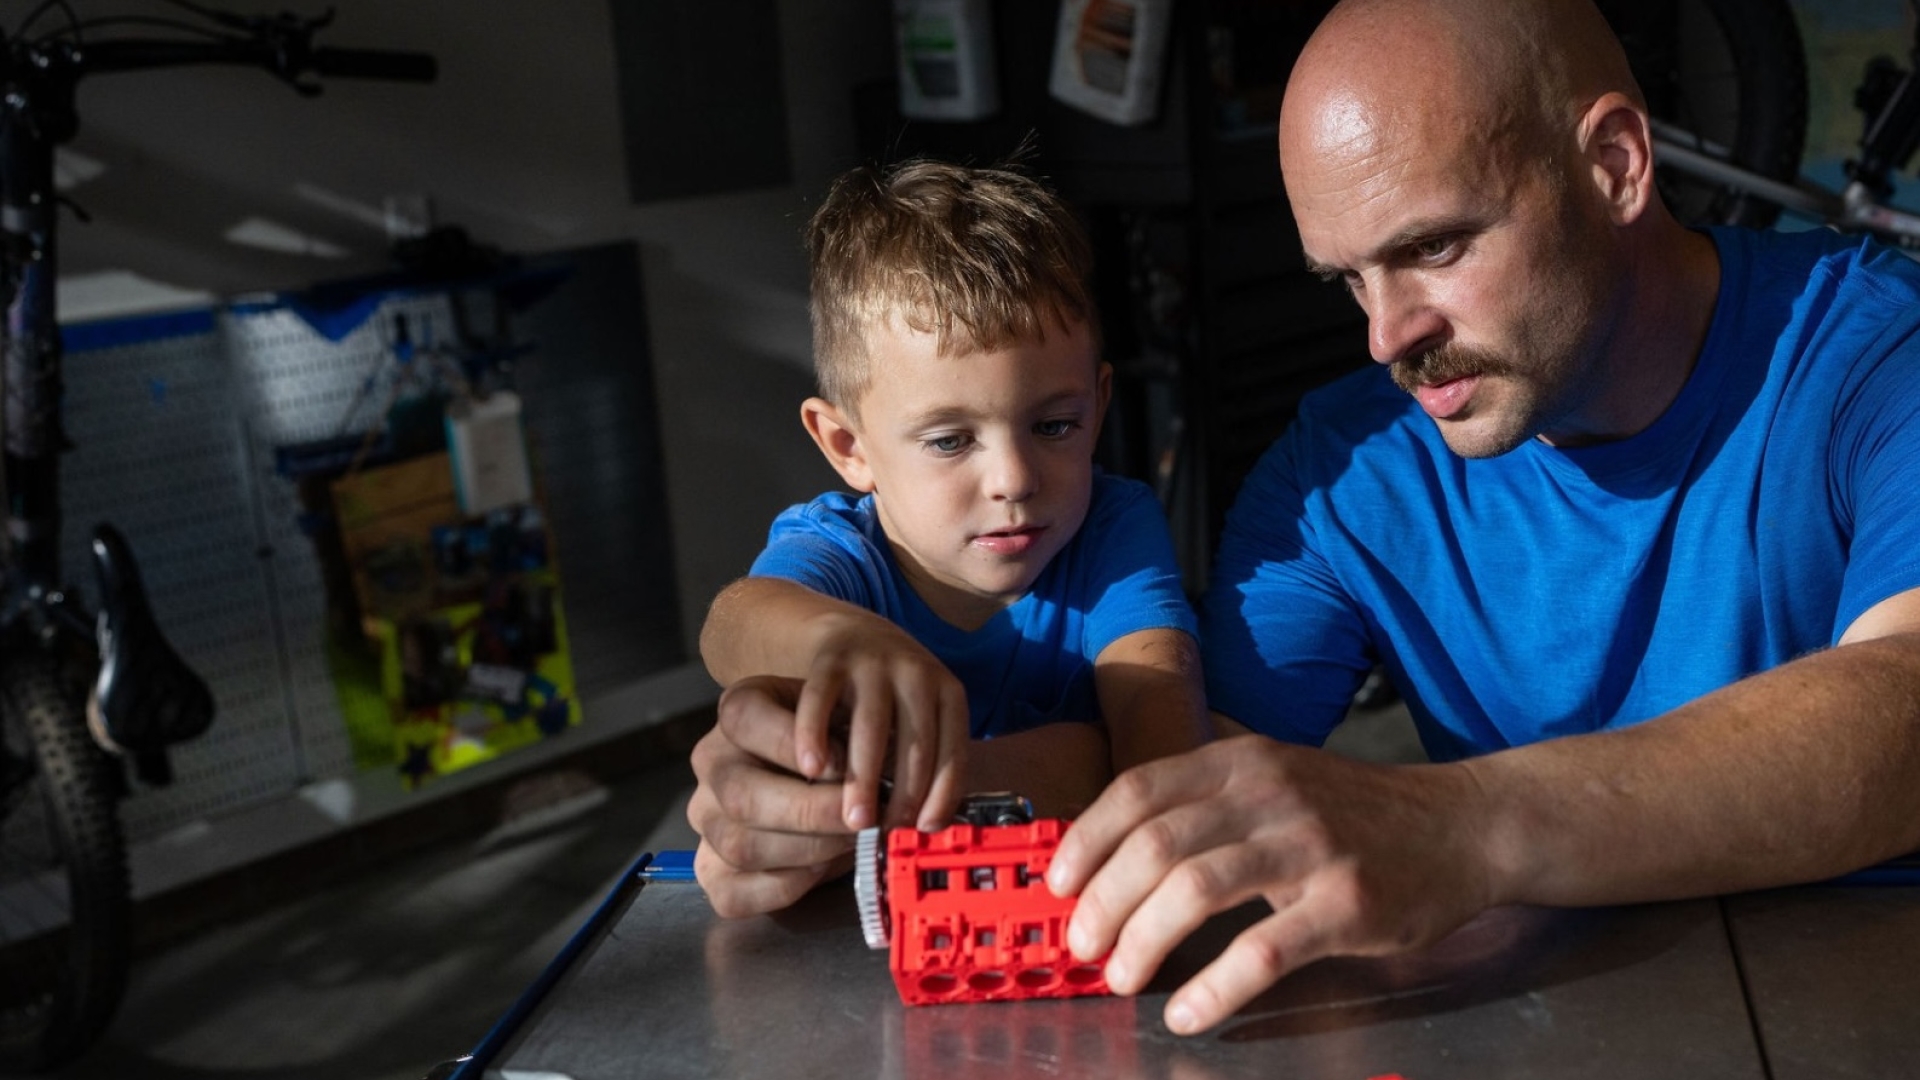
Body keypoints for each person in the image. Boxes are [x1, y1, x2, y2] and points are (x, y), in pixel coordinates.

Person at [1040, 0, 1920, 1036]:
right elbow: (1177, 771)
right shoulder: (1343, 481)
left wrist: (1461, 826)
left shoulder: (1876, 356)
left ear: (1616, 165)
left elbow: (1904, 705)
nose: (1386, 335)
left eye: (1436, 248)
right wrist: (838, 744)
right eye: (1350, 280)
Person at [688, 159, 1211, 917]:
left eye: (1054, 426)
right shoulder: (842, 553)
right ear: (847, 446)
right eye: (948, 441)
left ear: (1098, 406)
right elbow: (732, 623)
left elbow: (1165, 746)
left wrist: (912, 788)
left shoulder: (1111, 527)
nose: (1014, 478)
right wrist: (842, 643)